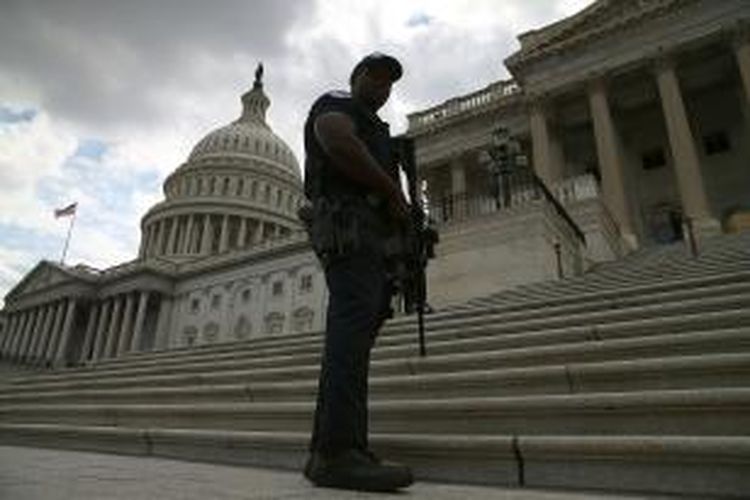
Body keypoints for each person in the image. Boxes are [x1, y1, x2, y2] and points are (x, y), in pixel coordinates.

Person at [300, 53, 414, 492]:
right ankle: (338, 453)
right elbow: (337, 142)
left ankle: (334, 448)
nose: (383, 86)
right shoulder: (338, 104)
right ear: (356, 77)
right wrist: (391, 193)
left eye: (390, 82)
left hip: (374, 237)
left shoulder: (378, 128)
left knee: (353, 344)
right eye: (376, 76)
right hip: (350, 228)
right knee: (349, 337)